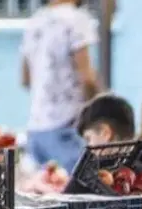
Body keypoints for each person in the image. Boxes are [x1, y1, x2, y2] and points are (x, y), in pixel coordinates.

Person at [20, 0, 100, 173]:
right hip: (66, 128)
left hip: (36, 131)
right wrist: (101, 110)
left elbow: (26, 80)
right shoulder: (78, 19)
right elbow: (87, 78)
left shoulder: (35, 21)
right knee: (81, 192)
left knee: (42, 192)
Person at [61, 93, 137, 194]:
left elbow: (66, 198)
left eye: (88, 139)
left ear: (105, 133)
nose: (87, 146)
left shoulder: (92, 175)